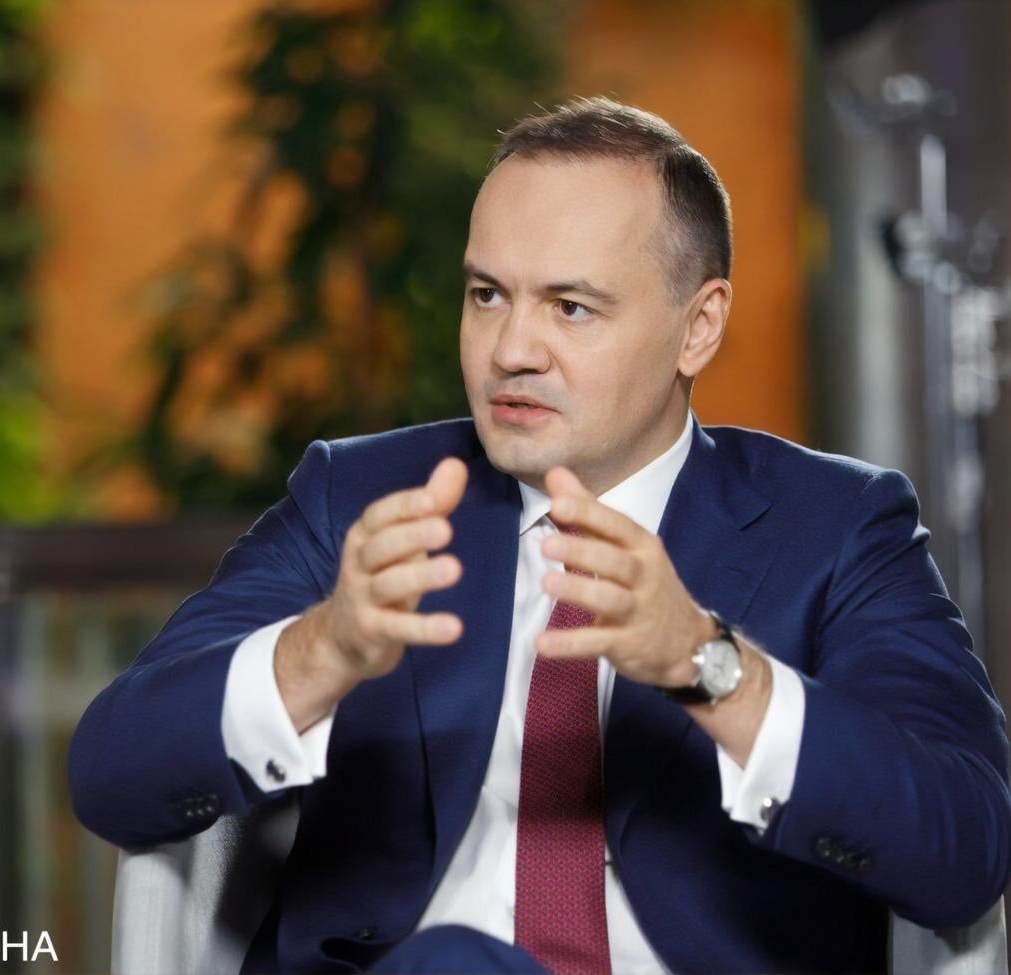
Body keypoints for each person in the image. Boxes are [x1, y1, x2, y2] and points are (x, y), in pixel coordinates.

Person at [68, 97, 1011, 974]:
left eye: (570, 306)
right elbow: (112, 774)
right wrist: (322, 650)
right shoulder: (362, 499)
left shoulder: (838, 527)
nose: (511, 350)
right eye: (487, 295)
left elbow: (966, 845)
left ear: (698, 327)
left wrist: (709, 665)